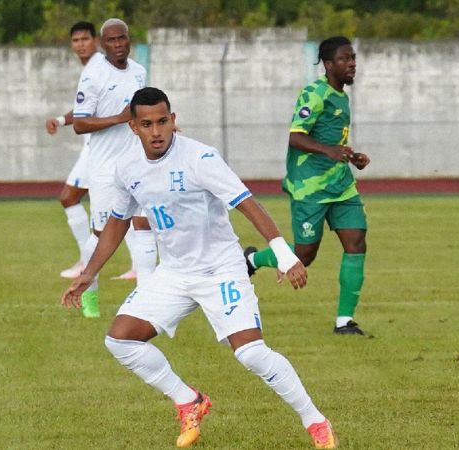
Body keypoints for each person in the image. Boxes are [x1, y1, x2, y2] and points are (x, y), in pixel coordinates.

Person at [61, 87, 338, 449]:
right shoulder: (127, 168)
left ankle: (315, 421)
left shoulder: (200, 158)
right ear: (133, 127)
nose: (156, 131)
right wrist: (89, 273)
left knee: (251, 353)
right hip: (173, 273)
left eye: (163, 121)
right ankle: (188, 400)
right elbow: (117, 222)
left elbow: (247, 203)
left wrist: (285, 256)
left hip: (220, 269)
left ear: (173, 121)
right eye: (147, 124)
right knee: (120, 340)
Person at [243, 36, 370, 335]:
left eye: (352, 58)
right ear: (328, 65)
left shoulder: (341, 96)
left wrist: (351, 156)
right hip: (309, 188)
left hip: (341, 185)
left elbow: (331, 140)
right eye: (344, 59)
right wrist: (329, 151)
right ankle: (251, 259)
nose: (351, 63)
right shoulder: (314, 93)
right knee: (305, 255)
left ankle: (344, 321)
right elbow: (296, 136)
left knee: (356, 243)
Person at [71, 18, 158, 317]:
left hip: (137, 163)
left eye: (122, 39)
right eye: (111, 40)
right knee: (101, 233)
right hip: (105, 169)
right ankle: (89, 295)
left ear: (129, 39)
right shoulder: (93, 74)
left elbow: (143, 111)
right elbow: (80, 123)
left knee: (144, 224)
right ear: (103, 44)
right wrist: (117, 118)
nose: (118, 45)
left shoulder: (139, 71)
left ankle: (146, 300)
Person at [46, 21, 138, 281]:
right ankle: (90, 275)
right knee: (109, 219)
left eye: (84, 39)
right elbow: (87, 111)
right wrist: (63, 121)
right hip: (99, 152)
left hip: (111, 153)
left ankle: (140, 272)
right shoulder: (94, 70)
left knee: (134, 215)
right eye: (75, 41)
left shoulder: (105, 66)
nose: (80, 45)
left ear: (95, 41)